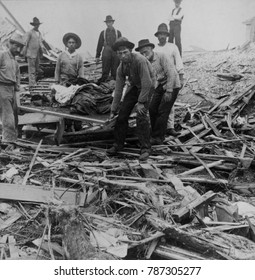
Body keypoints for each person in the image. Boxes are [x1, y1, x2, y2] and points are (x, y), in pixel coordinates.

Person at [106, 37, 154, 161]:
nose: (122, 56)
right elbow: (118, 89)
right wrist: (113, 109)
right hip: (135, 86)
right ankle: (118, 145)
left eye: (125, 52)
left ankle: (145, 148)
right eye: (119, 53)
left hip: (148, 86)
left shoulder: (140, 60)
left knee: (141, 115)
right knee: (122, 115)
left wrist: (141, 102)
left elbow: (147, 83)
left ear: (130, 51)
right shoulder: (121, 67)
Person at [135, 39, 180, 145]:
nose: (144, 55)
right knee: (152, 108)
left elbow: (171, 73)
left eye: (145, 52)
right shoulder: (144, 62)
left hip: (172, 84)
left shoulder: (162, 56)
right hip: (160, 85)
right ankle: (157, 132)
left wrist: (169, 91)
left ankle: (158, 137)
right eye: (141, 53)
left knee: (163, 110)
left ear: (151, 49)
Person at [154, 23, 184, 136]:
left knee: (169, 104)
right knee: (156, 105)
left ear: (167, 35)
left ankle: (170, 127)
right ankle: (157, 128)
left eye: (164, 34)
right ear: (157, 36)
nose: (162, 36)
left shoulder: (172, 47)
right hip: (158, 79)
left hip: (171, 78)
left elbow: (179, 62)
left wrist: (181, 78)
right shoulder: (155, 48)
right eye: (160, 34)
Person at [0, 32, 25, 148]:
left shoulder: (15, 62)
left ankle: (13, 140)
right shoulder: (2, 55)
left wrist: (17, 90)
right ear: (10, 44)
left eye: (20, 47)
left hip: (12, 90)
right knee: (8, 117)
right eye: (15, 45)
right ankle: (8, 142)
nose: (18, 49)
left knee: (14, 116)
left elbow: (17, 78)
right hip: (2, 88)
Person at [95, 15, 122, 82]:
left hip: (115, 51)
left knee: (115, 69)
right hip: (106, 50)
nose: (108, 24)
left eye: (110, 22)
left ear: (112, 22)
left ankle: (115, 82)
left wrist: (121, 54)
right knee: (105, 68)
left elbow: (121, 44)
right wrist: (97, 55)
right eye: (107, 22)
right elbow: (99, 44)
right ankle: (104, 81)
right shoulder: (103, 32)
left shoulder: (118, 32)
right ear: (106, 23)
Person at [22, 17, 44, 87]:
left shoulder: (39, 33)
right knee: (31, 70)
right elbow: (25, 43)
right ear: (33, 25)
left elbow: (40, 43)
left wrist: (42, 52)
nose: (36, 26)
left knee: (37, 69)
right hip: (31, 54)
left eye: (37, 24)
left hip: (37, 54)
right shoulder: (29, 33)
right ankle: (32, 85)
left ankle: (35, 82)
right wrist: (24, 53)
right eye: (35, 24)